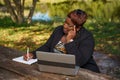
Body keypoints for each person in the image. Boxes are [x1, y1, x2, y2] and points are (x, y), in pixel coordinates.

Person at [24, 9, 100, 73]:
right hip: (59, 69)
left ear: (77, 28)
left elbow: (79, 61)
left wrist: (70, 41)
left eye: (69, 25)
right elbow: (47, 47)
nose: (64, 26)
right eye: (65, 22)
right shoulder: (58, 30)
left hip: (84, 72)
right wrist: (33, 54)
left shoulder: (87, 37)